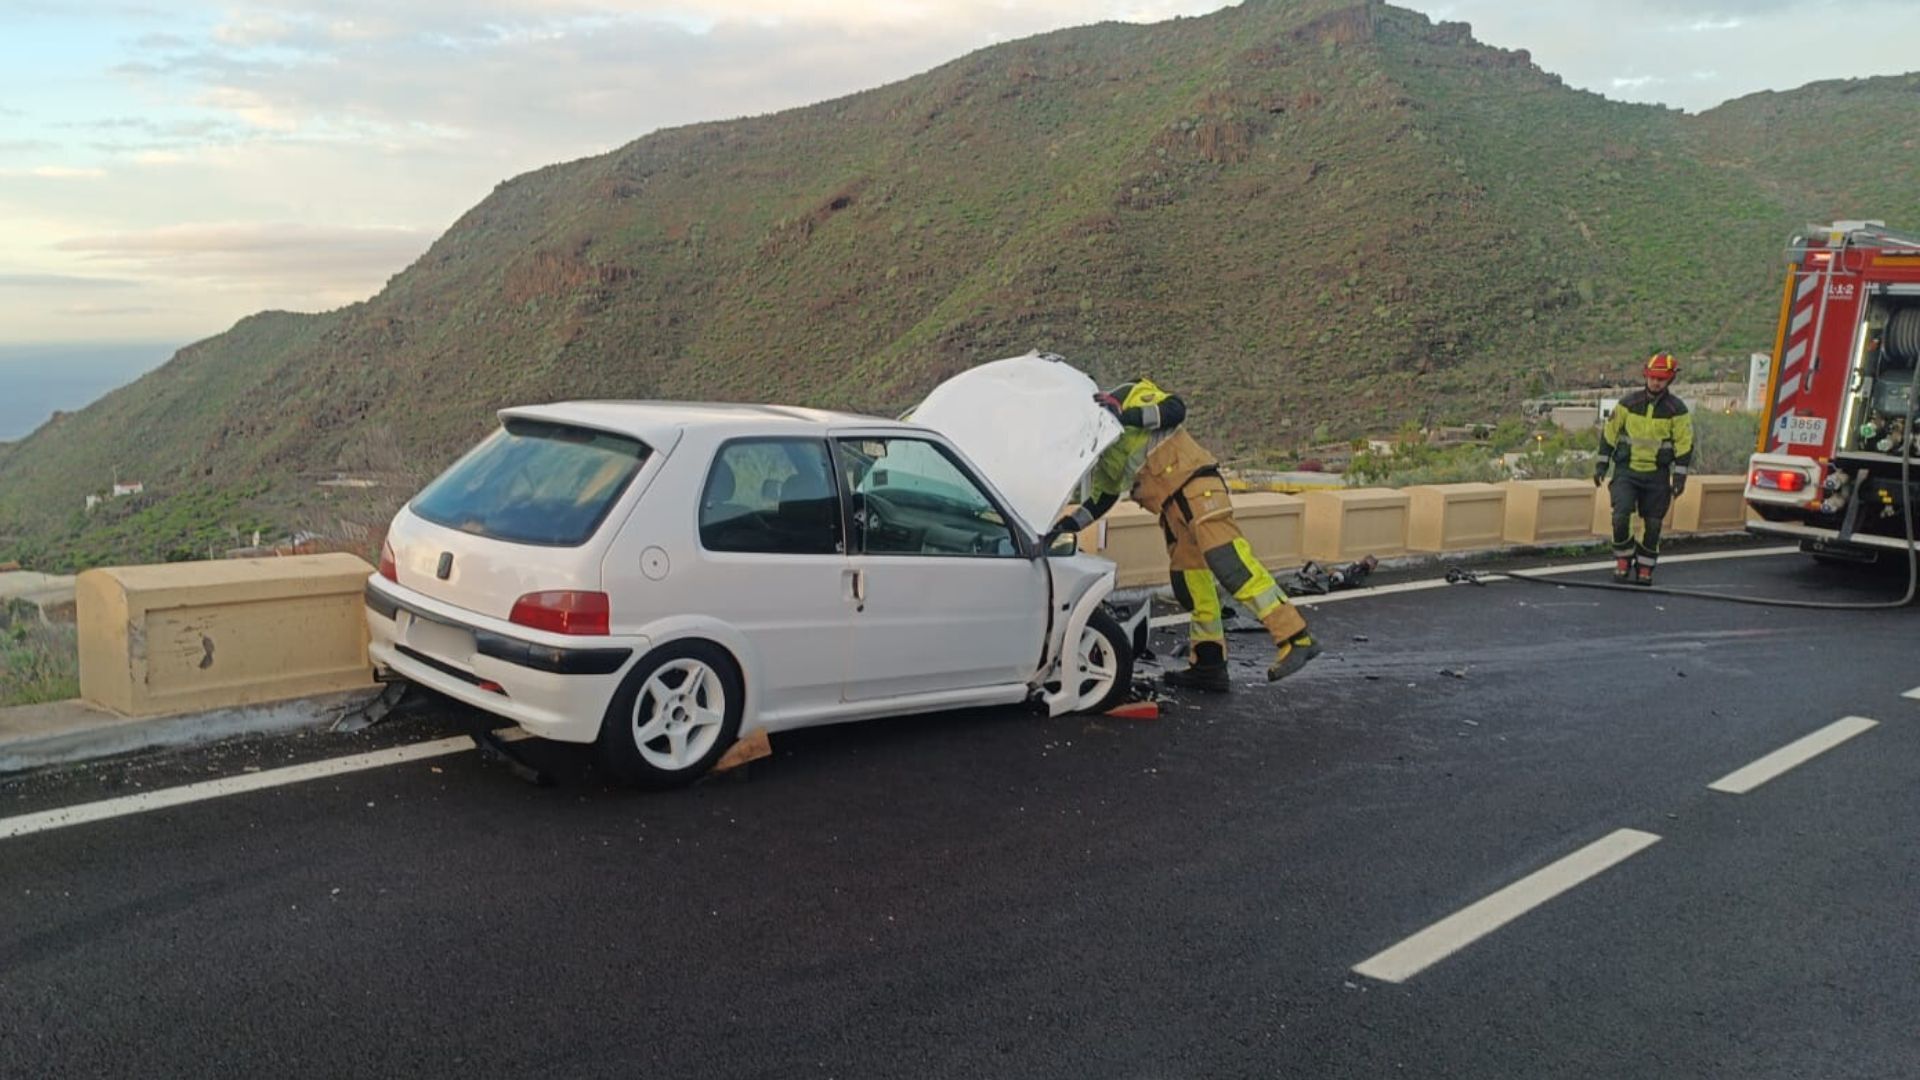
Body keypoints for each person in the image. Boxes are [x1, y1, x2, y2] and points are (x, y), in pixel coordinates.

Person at [1048, 378, 1317, 691]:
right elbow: (1102, 498)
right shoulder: (1102, 450)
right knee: (1190, 586)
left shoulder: (1130, 395)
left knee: (1229, 563)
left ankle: (1295, 637)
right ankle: (1208, 665)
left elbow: (1175, 409)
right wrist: (1067, 526)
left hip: (1199, 492)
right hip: (1173, 514)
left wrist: (1124, 416)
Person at [1594, 352, 1694, 586]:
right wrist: (1601, 465)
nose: (1655, 382)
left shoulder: (1676, 410)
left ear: (1669, 380)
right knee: (1620, 517)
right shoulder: (1628, 404)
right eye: (1652, 377)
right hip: (1626, 471)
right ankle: (1623, 558)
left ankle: (1646, 567)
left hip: (1657, 475)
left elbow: (1684, 445)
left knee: (1653, 524)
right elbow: (1609, 434)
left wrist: (1679, 478)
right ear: (1646, 376)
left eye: (1661, 378)